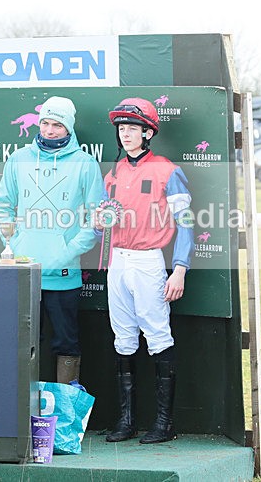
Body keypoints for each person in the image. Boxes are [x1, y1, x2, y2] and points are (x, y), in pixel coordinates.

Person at [94, 97, 193, 444]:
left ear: (148, 131)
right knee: (122, 337)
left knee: (157, 335)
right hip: (116, 261)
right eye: (122, 128)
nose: (126, 134)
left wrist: (179, 269)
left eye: (133, 128)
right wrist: (96, 224)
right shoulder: (114, 173)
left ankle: (164, 423)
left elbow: (187, 224)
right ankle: (126, 420)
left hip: (149, 260)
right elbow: (100, 229)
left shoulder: (168, 169)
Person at [0, 96, 103, 384]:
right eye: (45, 123)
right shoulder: (18, 159)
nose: (50, 130)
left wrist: (66, 253)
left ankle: (63, 419)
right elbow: (2, 205)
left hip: (64, 275)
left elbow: (97, 220)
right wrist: (14, 246)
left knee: (66, 343)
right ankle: (22, 416)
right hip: (25, 273)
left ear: (68, 128)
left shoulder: (85, 164)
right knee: (23, 344)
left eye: (57, 124)